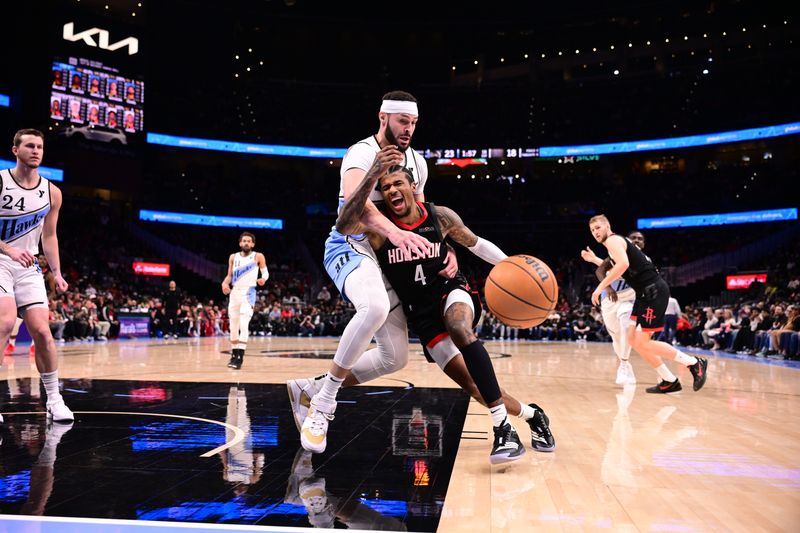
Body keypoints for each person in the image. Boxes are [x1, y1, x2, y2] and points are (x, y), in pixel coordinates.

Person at [290, 91, 450, 455]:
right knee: (374, 307)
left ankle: (308, 389)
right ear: (383, 118)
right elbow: (354, 211)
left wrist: (444, 247)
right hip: (351, 244)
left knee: (394, 357)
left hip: (389, 254)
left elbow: (419, 215)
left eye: (413, 123)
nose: (409, 130)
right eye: (402, 122)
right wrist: (395, 231)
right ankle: (324, 404)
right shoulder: (360, 153)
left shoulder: (418, 163)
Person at [0, 129, 73, 425]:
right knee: (4, 321)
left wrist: (57, 272)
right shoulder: (1, 181)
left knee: (42, 332)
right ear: (15, 150)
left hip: (29, 265)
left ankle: (54, 399)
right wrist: (9, 249)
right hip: (1, 259)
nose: (36, 150)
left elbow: (50, 235)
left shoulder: (52, 192)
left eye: (39, 146)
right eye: (29, 145)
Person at [588, 215, 708, 394]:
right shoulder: (617, 244)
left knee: (643, 342)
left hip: (653, 292)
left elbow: (622, 265)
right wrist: (594, 260)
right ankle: (669, 380)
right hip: (644, 294)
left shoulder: (613, 240)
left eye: (598, 227)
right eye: (592, 230)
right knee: (632, 340)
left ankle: (693, 362)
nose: (595, 232)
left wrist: (599, 288)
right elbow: (620, 269)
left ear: (608, 226)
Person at [581, 230, 647, 385]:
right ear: (626, 241)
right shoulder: (617, 255)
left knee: (626, 326)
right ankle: (625, 364)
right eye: (633, 238)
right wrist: (594, 260)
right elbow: (606, 269)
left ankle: (623, 365)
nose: (637, 241)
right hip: (609, 300)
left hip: (628, 299)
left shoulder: (645, 261)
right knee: (616, 337)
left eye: (640, 239)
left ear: (644, 244)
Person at [221, 232, 267, 369]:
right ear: (240, 243)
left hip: (249, 292)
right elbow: (229, 276)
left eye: (249, 241)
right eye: (244, 241)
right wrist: (224, 284)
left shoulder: (258, 256)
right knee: (233, 326)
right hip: (235, 292)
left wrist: (263, 279)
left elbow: (265, 272)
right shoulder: (233, 257)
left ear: (253, 244)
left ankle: (240, 357)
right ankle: (234, 354)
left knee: (243, 323)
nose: (246, 243)